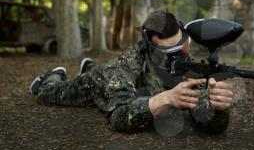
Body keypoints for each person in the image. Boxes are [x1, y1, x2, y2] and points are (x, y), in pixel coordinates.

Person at [29, 11, 234, 134]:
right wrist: (165, 99)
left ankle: (88, 66)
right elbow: (118, 116)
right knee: (50, 94)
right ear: (150, 46)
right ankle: (53, 76)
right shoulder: (128, 65)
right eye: (168, 52)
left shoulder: (183, 62)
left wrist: (217, 108)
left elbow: (205, 120)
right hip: (98, 82)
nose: (178, 57)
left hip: (120, 81)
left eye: (182, 48)